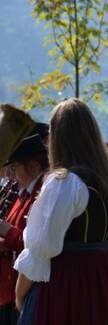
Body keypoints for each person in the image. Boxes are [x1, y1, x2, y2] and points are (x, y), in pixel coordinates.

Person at [13, 98, 108, 325]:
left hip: (65, 285)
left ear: (58, 137)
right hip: (102, 281)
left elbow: (41, 247)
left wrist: (19, 294)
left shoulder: (65, 182)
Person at [0, 134, 48, 325]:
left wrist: (4, 229)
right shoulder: (24, 193)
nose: (12, 173)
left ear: (35, 166)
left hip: (20, 290)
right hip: (8, 288)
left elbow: (34, 242)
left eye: (16, 167)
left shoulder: (40, 194)